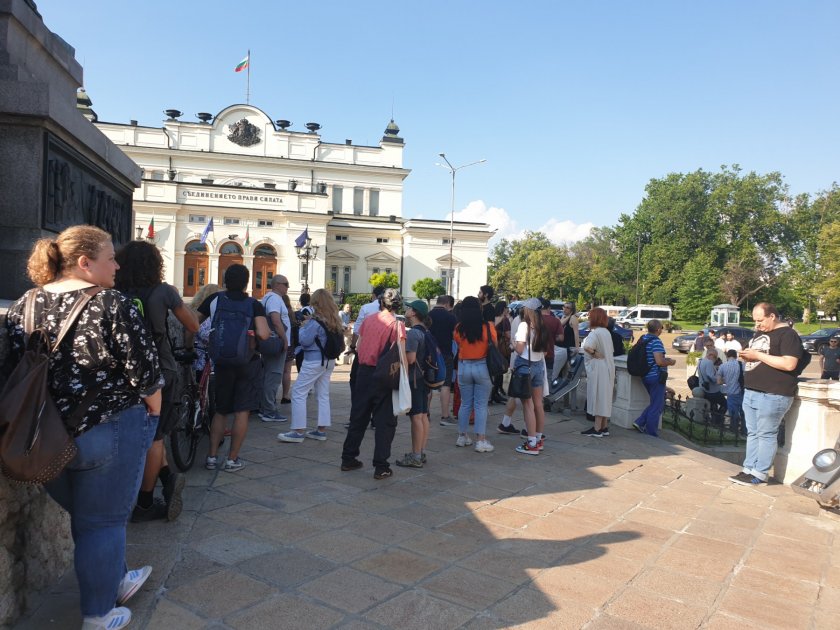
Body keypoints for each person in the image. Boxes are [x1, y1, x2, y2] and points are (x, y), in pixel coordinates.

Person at [4, 225, 162, 629]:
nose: (117, 264)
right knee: (103, 522)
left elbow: (9, 368)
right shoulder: (112, 303)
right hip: (106, 427)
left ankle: (117, 576)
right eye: (110, 257)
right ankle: (98, 614)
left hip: (42, 434)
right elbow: (145, 373)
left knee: (90, 519)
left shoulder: (26, 302)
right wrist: (154, 415)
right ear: (85, 262)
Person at [114, 240, 199, 524]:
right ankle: (147, 502)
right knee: (155, 437)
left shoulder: (114, 292)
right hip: (160, 368)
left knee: (140, 434)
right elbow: (192, 325)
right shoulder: (163, 292)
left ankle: (167, 479)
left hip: (124, 371)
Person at [196, 264, 270, 472]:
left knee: (221, 410)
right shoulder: (253, 304)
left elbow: (194, 322)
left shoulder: (215, 299)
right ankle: (232, 459)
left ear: (225, 280)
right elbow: (264, 334)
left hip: (222, 362)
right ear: (246, 282)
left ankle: (211, 457)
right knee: (241, 411)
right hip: (247, 362)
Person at [729, 302, 803, 485]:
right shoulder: (760, 333)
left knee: (766, 434)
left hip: (773, 393)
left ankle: (760, 473)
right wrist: (746, 356)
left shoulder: (788, 335)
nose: (757, 325)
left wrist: (758, 356)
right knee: (753, 432)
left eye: (760, 320)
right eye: (755, 321)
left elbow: (789, 364)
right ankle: (748, 468)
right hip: (752, 391)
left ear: (772, 316)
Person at [341, 288, 404, 480]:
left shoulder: (369, 320)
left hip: (363, 371)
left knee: (358, 416)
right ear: (397, 305)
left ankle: (348, 458)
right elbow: (400, 355)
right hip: (383, 374)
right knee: (385, 421)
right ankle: (381, 466)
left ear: (381, 302)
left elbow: (359, 341)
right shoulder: (397, 325)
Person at [277, 289, 341, 443]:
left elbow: (305, 341)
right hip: (329, 361)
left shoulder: (315, 321)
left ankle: (298, 431)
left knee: (299, 392)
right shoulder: (334, 319)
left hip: (314, 360)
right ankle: (321, 430)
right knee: (323, 394)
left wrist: (304, 326)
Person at [452, 296, 497, 453]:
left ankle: (462, 436)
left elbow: (457, 343)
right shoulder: (488, 326)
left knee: (465, 403)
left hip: (463, 367)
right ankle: (481, 441)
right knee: (480, 405)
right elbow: (494, 345)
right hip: (482, 366)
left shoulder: (458, 328)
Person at [396, 300, 433, 467]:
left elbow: (410, 359)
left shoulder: (413, 334)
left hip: (415, 380)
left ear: (414, 313)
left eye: (409, 308)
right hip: (424, 379)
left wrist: (399, 350)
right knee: (424, 416)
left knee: (416, 418)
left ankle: (416, 456)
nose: (407, 309)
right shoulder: (426, 331)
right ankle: (421, 452)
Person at [513, 298, 551, 455]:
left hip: (525, 366)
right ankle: (539, 439)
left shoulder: (524, 325)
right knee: (538, 404)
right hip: (538, 366)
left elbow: (520, 350)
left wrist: (513, 345)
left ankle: (531, 443)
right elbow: (546, 352)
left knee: (527, 405)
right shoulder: (542, 327)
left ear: (528, 310)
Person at [632, 319, 676, 437]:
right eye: (661, 328)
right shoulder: (656, 341)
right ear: (658, 329)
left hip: (645, 375)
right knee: (657, 405)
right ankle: (650, 432)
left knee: (656, 402)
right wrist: (671, 362)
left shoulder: (644, 338)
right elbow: (659, 361)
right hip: (655, 376)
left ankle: (640, 422)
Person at [258, 274, 290, 422]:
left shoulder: (268, 298)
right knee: (274, 376)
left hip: (270, 342)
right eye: (286, 284)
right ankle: (269, 411)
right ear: (277, 284)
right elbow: (276, 320)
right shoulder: (275, 299)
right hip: (276, 342)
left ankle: (265, 408)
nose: (288, 287)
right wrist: (284, 339)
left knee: (268, 375)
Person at [580, 307, 615, 437]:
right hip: (608, 367)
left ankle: (597, 428)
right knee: (605, 396)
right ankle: (604, 427)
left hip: (599, 368)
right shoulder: (606, 332)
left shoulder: (595, 333)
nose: (588, 320)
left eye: (590, 317)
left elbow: (587, 347)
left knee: (598, 396)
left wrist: (594, 353)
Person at [429, 294, 457, 426]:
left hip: (429, 355)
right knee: (445, 385)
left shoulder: (428, 315)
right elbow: (455, 337)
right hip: (445, 354)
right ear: (446, 304)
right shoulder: (451, 317)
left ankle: (425, 413)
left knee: (428, 384)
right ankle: (445, 417)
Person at [718, 349, 745, 432]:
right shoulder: (742, 364)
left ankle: (734, 431)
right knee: (744, 414)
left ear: (727, 356)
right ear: (736, 356)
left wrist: (727, 381)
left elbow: (718, 381)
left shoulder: (723, 366)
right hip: (741, 392)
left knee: (733, 414)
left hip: (730, 393)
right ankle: (744, 431)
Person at [492, 301, 512, 403]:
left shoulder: (492, 319)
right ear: (503, 309)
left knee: (494, 372)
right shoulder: (505, 320)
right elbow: (508, 335)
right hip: (502, 348)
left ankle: (494, 393)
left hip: (493, 347)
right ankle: (494, 394)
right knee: (501, 370)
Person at [698, 348, 727, 417]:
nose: (716, 359)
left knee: (713, 406)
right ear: (710, 355)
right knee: (726, 404)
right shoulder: (709, 362)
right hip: (712, 390)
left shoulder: (701, 361)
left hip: (704, 388)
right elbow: (710, 376)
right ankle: (718, 419)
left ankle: (714, 420)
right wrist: (720, 380)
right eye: (715, 357)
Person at [279, 293, 296, 405]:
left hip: (278, 342)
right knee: (287, 371)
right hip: (290, 343)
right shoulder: (290, 312)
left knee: (274, 370)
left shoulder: (277, 311)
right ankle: (285, 395)